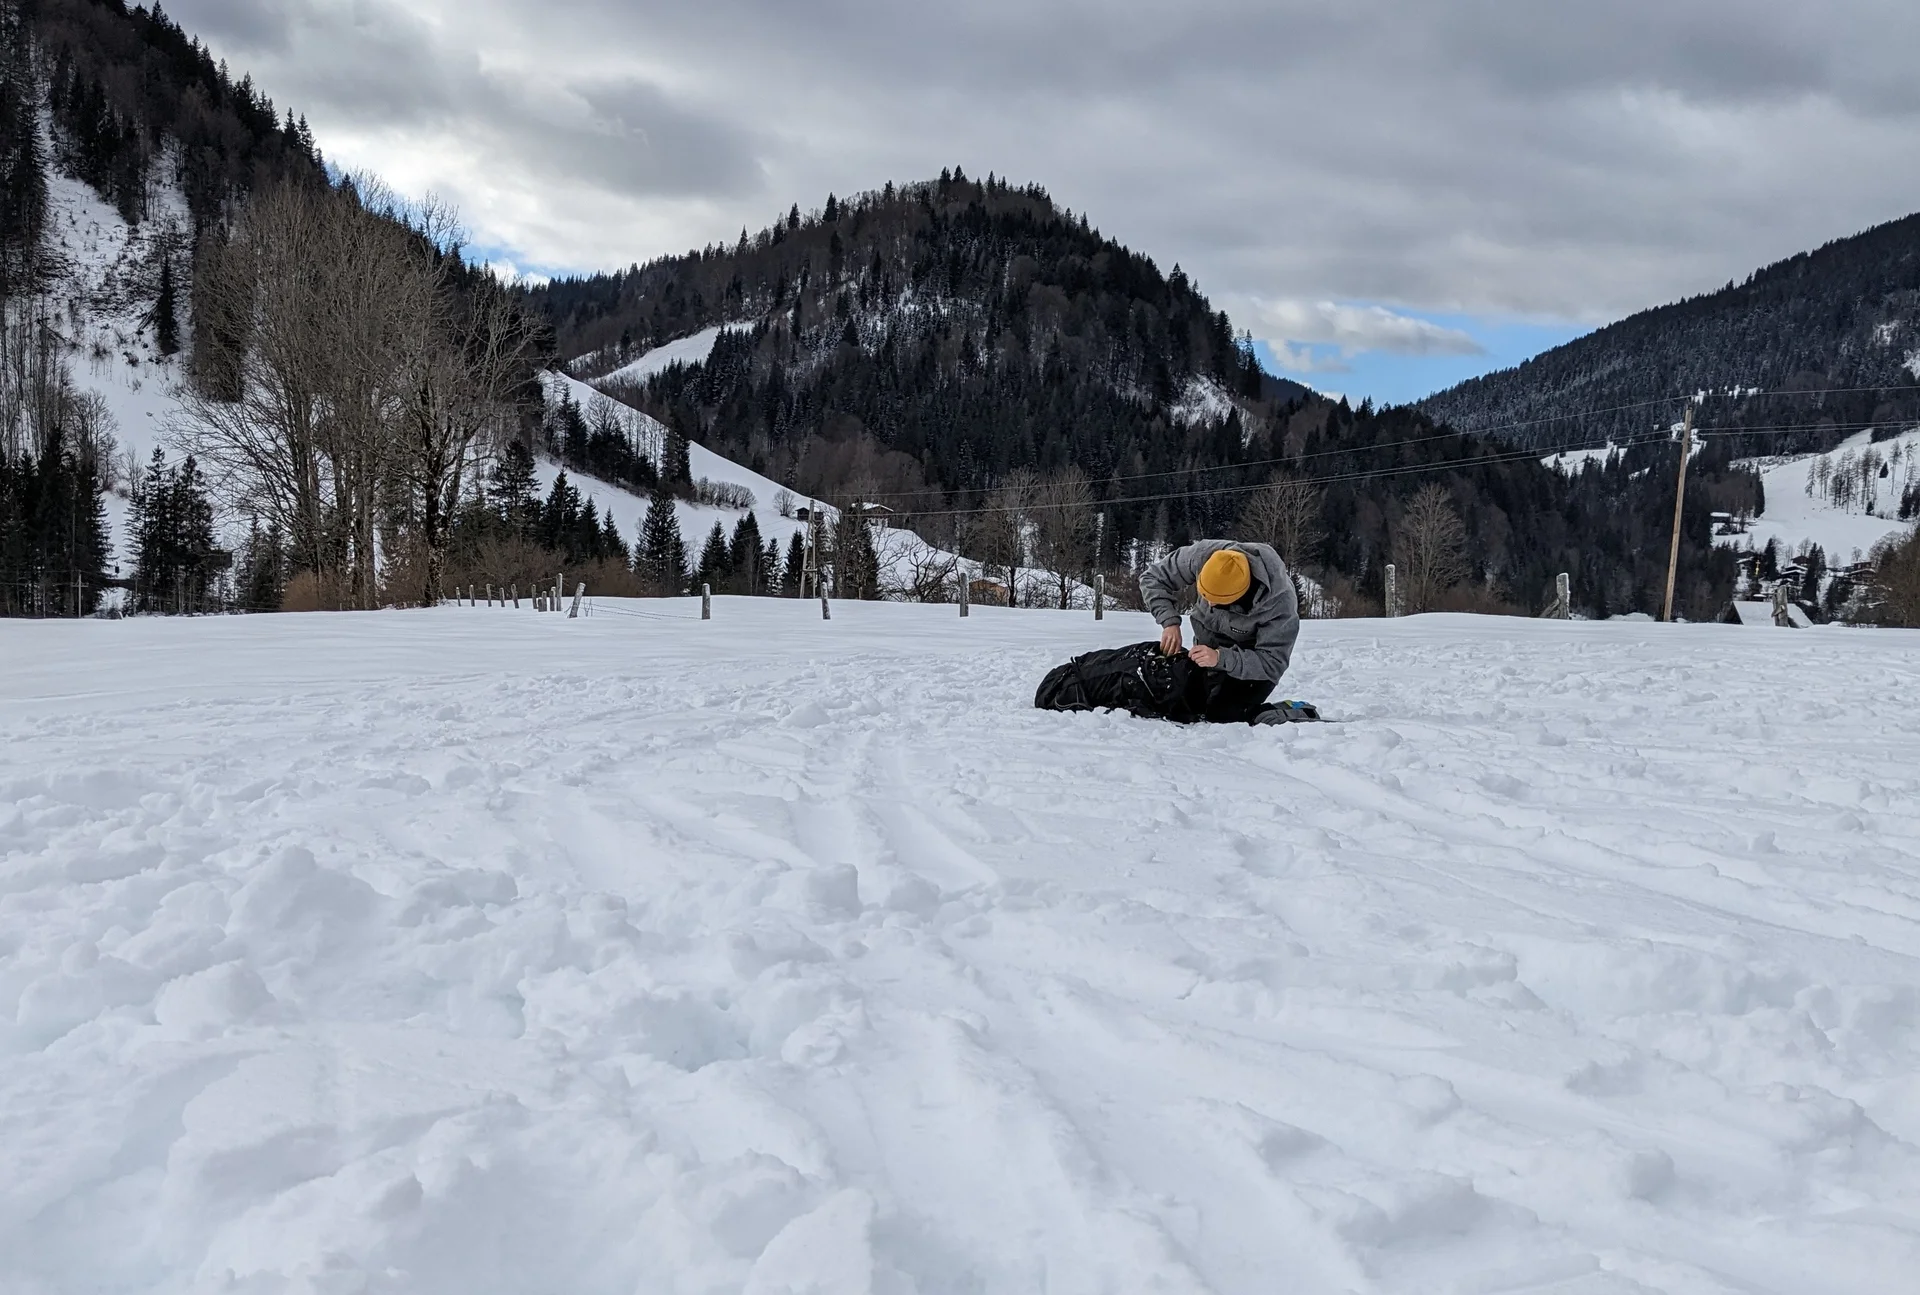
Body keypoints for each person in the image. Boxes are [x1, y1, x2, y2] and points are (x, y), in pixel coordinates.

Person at [1139, 539, 1300, 724]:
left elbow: (1272, 662)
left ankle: (1286, 712)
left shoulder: (1280, 604)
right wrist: (1169, 622)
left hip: (1252, 667)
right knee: (1186, 706)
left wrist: (1220, 658)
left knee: (1225, 716)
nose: (1209, 604)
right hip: (1208, 649)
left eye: (1217, 601)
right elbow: (1152, 578)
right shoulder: (1203, 555)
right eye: (1205, 595)